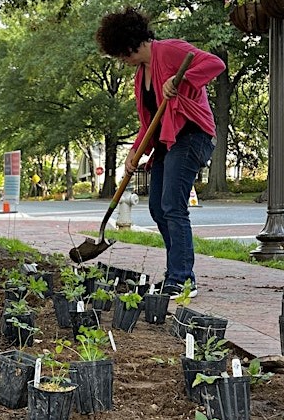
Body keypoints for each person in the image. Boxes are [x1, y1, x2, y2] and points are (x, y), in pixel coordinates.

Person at [96, 8, 224, 298]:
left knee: (172, 206)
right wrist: (134, 153)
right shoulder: (140, 77)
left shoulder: (170, 50)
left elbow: (215, 64)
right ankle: (176, 274)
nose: (122, 61)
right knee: (156, 207)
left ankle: (182, 279)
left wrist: (181, 80)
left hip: (193, 136)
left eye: (120, 54)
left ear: (129, 44)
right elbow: (149, 123)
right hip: (168, 142)